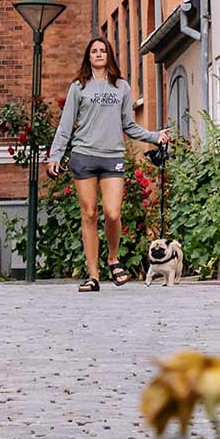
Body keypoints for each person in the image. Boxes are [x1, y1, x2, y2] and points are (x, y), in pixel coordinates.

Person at [46, 38, 170, 292]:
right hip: (83, 156)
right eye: (94, 51)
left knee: (113, 213)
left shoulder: (121, 87)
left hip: (112, 156)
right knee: (89, 213)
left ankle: (113, 258)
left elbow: (129, 124)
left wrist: (154, 136)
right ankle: (93, 276)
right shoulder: (79, 87)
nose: (99, 54)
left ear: (109, 56)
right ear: (88, 57)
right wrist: (55, 155)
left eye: (103, 50)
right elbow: (65, 125)